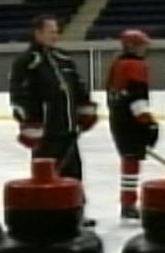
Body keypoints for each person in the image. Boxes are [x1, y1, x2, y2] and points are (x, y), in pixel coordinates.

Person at [9, 14, 98, 226]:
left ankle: (76, 212)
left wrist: (86, 111)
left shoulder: (63, 59)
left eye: (57, 31)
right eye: (51, 31)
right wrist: (29, 124)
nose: (55, 35)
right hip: (46, 134)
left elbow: (78, 88)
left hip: (69, 129)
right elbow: (18, 97)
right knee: (47, 176)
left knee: (74, 172)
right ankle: (46, 212)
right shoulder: (27, 62)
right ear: (38, 33)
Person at [107, 29, 159, 220]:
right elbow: (138, 98)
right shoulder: (135, 65)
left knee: (129, 160)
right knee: (131, 162)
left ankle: (128, 203)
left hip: (118, 117)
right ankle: (128, 204)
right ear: (132, 45)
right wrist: (149, 124)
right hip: (130, 120)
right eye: (142, 45)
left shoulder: (117, 63)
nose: (145, 49)